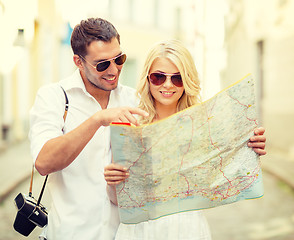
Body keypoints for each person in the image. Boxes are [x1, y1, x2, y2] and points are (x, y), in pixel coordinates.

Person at [104, 39, 267, 240]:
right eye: (158, 77)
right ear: (148, 78)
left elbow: (226, 177)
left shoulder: (203, 127)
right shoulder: (131, 126)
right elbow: (117, 200)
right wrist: (112, 182)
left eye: (177, 78)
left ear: (187, 80)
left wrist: (250, 148)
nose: (167, 85)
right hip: (140, 232)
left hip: (187, 230)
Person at [29, 18, 148, 240]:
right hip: (70, 234)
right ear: (78, 61)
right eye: (102, 64)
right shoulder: (53, 97)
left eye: (119, 59)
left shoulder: (133, 99)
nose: (114, 70)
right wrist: (97, 120)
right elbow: (44, 163)